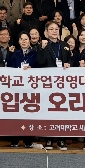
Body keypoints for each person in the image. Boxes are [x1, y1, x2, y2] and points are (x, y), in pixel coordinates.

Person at [37, 21, 72, 150]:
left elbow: (70, 60)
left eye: (56, 29)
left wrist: (69, 64)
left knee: (62, 112)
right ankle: (49, 139)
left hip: (63, 83)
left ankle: (62, 139)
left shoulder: (64, 45)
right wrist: (42, 48)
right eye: (51, 29)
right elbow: (39, 62)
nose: (54, 31)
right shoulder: (43, 45)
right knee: (48, 111)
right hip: (48, 84)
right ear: (46, 32)